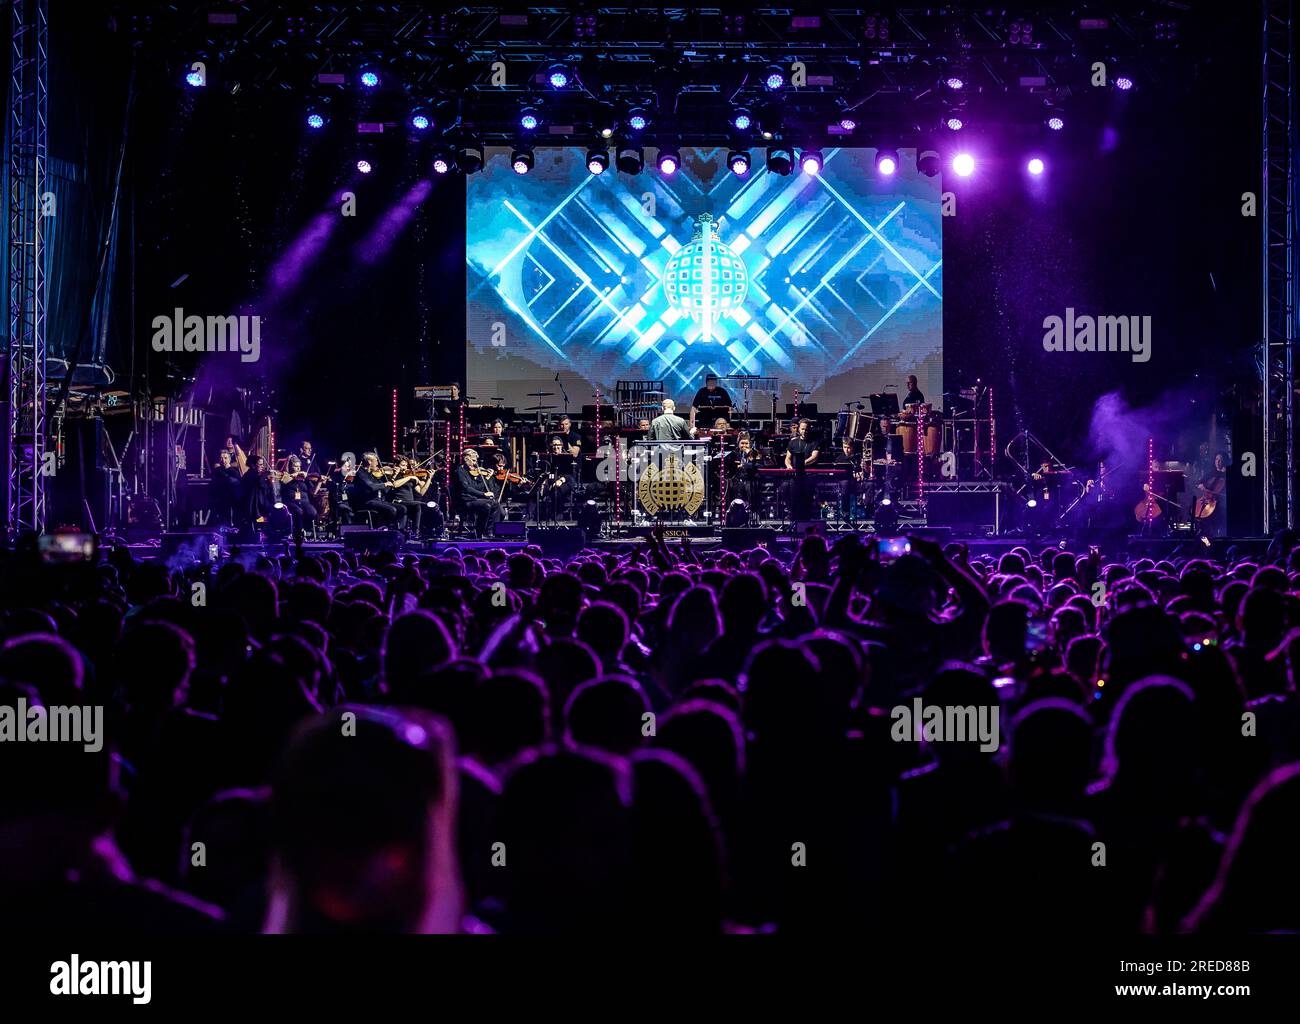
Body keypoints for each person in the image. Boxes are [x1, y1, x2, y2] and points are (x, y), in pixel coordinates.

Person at [456, 448, 502, 537]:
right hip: (464, 500)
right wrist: (483, 494)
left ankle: (489, 531)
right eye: (473, 460)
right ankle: (480, 532)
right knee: (486, 505)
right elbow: (466, 488)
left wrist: (486, 478)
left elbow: (476, 487)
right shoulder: (460, 471)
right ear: (466, 458)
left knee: (495, 503)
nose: (475, 463)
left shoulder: (471, 472)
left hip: (473, 499)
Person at [351, 453, 404, 529]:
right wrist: (385, 484)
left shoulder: (373, 474)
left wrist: (393, 477)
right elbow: (371, 487)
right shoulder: (361, 473)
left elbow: (385, 490)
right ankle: (385, 530)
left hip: (378, 501)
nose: (377, 463)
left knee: (402, 508)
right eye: (376, 461)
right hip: (366, 502)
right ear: (369, 462)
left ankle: (399, 531)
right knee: (391, 510)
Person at [784, 419, 819, 520]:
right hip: (795, 475)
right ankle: (791, 512)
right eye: (802, 429)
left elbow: (814, 457)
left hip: (809, 475)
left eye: (806, 429)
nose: (804, 431)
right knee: (785, 487)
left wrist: (801, 465)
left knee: (804, 491)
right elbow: (787, 458)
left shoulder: (814, 442)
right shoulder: (793, 442)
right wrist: (789, 466)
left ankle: (804, 516)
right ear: (799, 429)